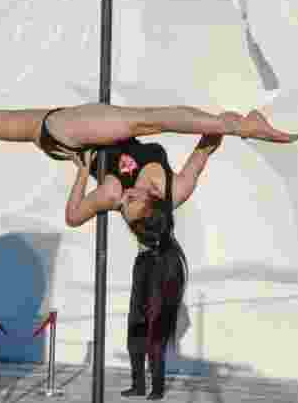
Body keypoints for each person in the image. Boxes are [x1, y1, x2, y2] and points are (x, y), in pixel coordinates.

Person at [63, 132, 224, 399]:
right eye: (130, 201)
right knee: (136, 325)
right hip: (145, 262)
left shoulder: (117, 193)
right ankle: (139, 383)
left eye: (127, 203)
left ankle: (157, 388)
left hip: (162, 263)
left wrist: (82, 170)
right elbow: (204, 149)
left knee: (155, 332)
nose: (125, 198)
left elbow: (207, 145)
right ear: (152, 201)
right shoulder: (173, 191)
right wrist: (223, 125)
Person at [0, 103, 298, 160]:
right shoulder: (137, 188)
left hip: (53, 131)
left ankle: (238, 125)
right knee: (149, 119)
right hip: (57, 132)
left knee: (148, 119)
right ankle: (238, 125)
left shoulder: (122, 191)